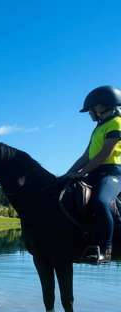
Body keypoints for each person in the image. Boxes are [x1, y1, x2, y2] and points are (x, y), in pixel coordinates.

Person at [66, 85, 121, 263]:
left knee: (101, 201)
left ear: (104, 105)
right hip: (94, 172)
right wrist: (68, 174)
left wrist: (82, 172)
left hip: (112, 173)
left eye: (92, 107)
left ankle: (106, 248)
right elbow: (86, 156)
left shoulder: (117, 123)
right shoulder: (98, 128)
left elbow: (104, 154)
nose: (90, 112)